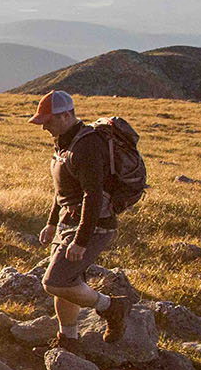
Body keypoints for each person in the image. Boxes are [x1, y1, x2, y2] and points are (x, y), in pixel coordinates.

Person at [29, 89, 130, 348]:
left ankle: (112, 307)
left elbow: (92, 196)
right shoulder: (65, 141)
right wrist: (52, 222)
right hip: (68, 222)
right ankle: (69, 339)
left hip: (92, 226)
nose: (44, 128)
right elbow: (63, 189)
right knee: (70, 282)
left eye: (48, 121)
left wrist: (81, 241)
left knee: (55, 282)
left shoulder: (86, 145)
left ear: (65, 116)